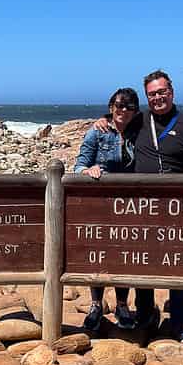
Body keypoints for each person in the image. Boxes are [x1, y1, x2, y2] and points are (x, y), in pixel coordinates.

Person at [96, 69, 183, 346]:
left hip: (179, 208)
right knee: (142, 262)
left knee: (179, 265)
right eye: (152, 94)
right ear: (147, 97)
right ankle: (146, 316)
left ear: (171, 91)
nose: (157, 97)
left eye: (162, 92)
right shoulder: (140, 120)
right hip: (143, 206)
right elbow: (118, 120)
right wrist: (103, 119)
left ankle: (182, 325)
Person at [73, 88, 141, 331]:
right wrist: (87, 171)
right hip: (101, 205)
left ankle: (122, 306)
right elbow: (79, 164)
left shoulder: (139, 130)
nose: (123, 110)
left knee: (124, 255)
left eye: (129, 107)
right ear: (111, 107)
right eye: (119, 105)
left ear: (135, 111)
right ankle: (96, 305)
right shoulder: (98, 131)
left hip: (131, 206)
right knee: (99, 255)